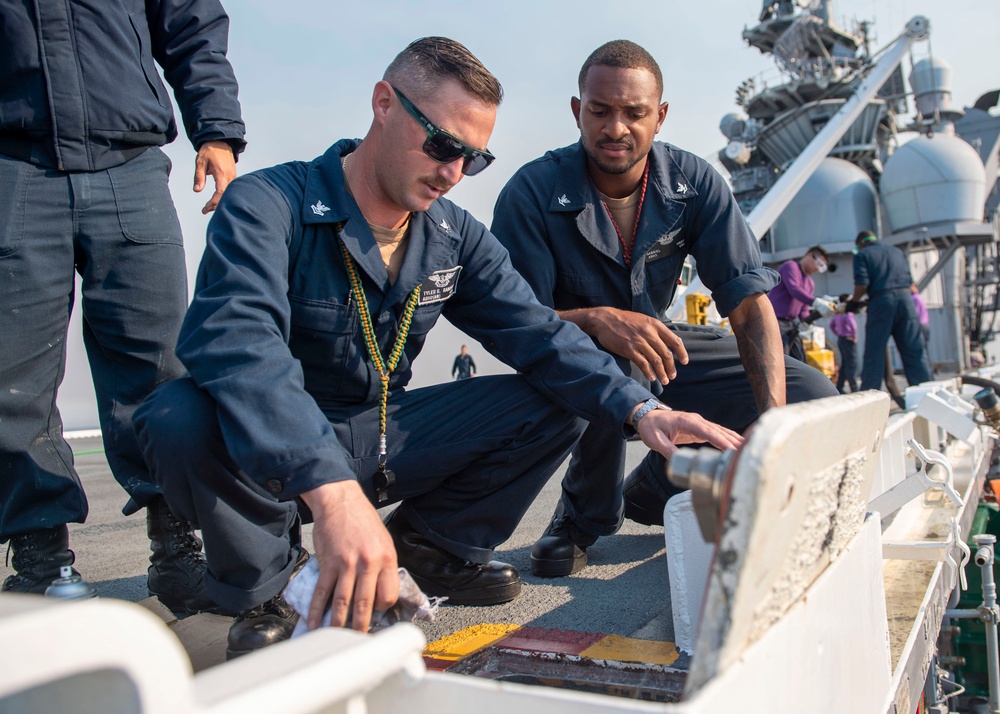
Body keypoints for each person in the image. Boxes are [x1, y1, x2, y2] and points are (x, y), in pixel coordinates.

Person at [133, 37, 744, 659]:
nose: (453, 173)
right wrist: (331, 488)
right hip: (271, 450)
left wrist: (644, 411)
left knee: (558, 395)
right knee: (177, 416)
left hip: (373, 436)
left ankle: (433, 556)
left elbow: (541, 334)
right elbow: (239, 346)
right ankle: (272, 586)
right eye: (443, 145)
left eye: (473, 160)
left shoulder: (453, 237)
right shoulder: (268, 205)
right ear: (383, 104)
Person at [492, 40, 837, 579]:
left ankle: (656, 488)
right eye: (600, 110)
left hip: (661, 344)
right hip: (570, 360)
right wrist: (594, 320)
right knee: (608, 357)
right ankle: (582, 518)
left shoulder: (694, 184)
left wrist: (773, 429)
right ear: (577, 110)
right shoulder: (532, 193)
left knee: (810, 395)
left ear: (661, 117)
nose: (615, 129)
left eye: (635, 113)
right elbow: (517, 322)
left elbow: (748, 307)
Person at [0, 0, 246, 612]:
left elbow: (191, 23)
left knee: (161, 367)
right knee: (12, 379)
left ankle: (176, 542)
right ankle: (40, 557)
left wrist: (214, 128)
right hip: (11, 167)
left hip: (128, 164)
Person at [850, 231, 932, 390]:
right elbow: (910, 282)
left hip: (882, 302)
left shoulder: (862, 255)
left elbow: (862, 285)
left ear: (861, 244)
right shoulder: (898, 252)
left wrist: (853, 302)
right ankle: (926, 393)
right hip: (906, 301)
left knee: (875, 353)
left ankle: (870, 397)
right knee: (915, 351)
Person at [767, 246, 836, 362]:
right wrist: (816, 302)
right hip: (775, 320)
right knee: (782, 358)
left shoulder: (810, 283)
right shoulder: (790, 266)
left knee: (799, 358)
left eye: (822, 267)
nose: (818, 269)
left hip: (791, 324)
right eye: (819, 263)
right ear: (809, 256)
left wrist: (808, 323)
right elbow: (794, 289)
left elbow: (804, 309)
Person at [829, 312, 859, 393]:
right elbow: (852, 325)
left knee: (844, 364)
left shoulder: (837, 314)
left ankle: (840, 387)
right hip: (848, 339)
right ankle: (854, 388)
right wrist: (854, 337)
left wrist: (838, 333)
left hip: (841, 339)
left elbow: (831, 325)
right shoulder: (847, 314)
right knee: (852, 364)